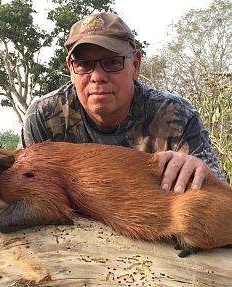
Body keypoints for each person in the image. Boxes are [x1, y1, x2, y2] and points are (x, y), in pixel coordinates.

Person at [22, 12, 226, 193]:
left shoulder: (177, 115)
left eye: (112, 62)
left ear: (135, 65)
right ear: (70, 68)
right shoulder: (43, 116)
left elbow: (223, 196)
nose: (98, 76)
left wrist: (202, 171)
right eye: (84, 64)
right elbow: (26, 187)